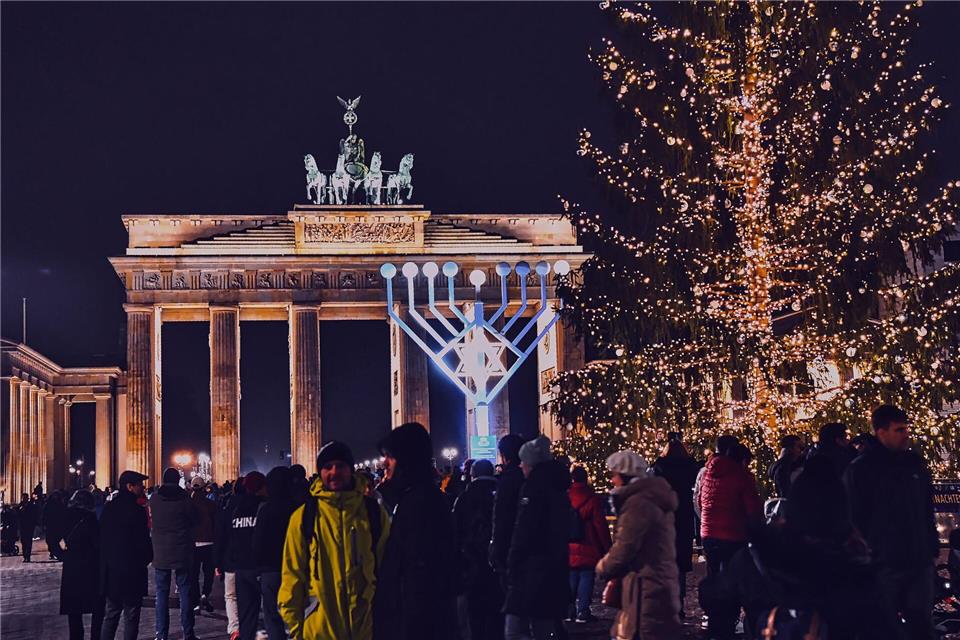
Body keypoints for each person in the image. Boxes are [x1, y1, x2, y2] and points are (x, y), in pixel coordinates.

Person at [844, 404, 939, 640]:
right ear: (881, 432)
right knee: (883, 625)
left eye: (906, 428)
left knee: (921, 623)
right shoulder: (862, 469)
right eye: (899, 429)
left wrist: (931, 545)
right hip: (883, 561)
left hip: (917, 558)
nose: (906, 434)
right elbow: (853, 516)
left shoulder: (914, 464)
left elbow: (926, 507)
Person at [280, 441, 390, 640]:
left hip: (366, 629)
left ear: (351, 469)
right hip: (318, 631)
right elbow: (291, 577)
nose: (334, 472)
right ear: (320, 472)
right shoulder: (304, 517)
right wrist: (296, 631)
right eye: (327, 467)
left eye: (340, 466)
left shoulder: (373, 513)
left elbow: (388, 570)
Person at [372, 423, 457, 640]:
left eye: (390, 456)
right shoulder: (416, 498)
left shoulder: (421, 504)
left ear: (407, 460)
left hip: (417, 624)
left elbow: (419, 575)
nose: (385, 463)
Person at [596, 450, 680, 640]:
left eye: (614, 475)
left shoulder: (639, 504)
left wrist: (603, 566)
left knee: (641, 632)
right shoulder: (649, 498)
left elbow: (624, 547)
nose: (612, 481)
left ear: (625, 476)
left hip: (646, 587)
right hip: (655, 583)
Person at [501, 435, 570, 640]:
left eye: (524, 461)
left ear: (531, 464)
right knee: (544, 626)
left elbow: (524, 531)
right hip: (550, 569)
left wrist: (512, 562)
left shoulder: (533, 490)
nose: (520, 465)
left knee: (516, 630)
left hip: (531, 570)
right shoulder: (556, 488)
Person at [698, 442, 762, 640]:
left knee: (715, 577)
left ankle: (716, 620)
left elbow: (701, 500)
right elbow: (753, 509)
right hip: (733, 534)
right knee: (735, 579)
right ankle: (730, 621)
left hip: (708, 533)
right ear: (743, 460)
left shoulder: (709, 472)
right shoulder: (742, 476)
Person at [453, 459, 503, 640]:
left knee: (476, 613)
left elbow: (456, 530)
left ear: (472, 474)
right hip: (499, 563)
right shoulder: (502, 493)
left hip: (471, 563)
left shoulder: (465, 498)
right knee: (498, 611)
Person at [100, 470, 153, 640]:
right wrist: (146, 559)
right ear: (130, 487)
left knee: (111, 615)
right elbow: (143, 542)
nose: (142, 488)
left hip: (112, 570)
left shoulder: (108, 509)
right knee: (131, 616)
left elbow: (101, 539)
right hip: (132, 571)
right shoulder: (137, 511)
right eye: (139, 485)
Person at [652, 439, 700, 618]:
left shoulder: (659, 467)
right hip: (683, 518)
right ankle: (678, 604)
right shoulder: (689, 467)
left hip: (664, 518)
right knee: (679, 565)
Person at [150, 467, 198, 640]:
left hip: (161, 551)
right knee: (185, 591)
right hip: (182, 550)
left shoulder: (154, 499)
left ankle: (161, 634)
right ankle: (188, 633)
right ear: (177, 479)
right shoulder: (185, 499)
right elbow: (194, 520)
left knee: (161, 594)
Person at [221, 471, 267, 640]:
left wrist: (221, 561)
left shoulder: (234, 508)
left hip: (239, 565)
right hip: (262, 567)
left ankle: (238, 631)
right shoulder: (264, 507)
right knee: (270, 611)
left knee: (245, 612)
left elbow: (226, 536)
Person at [54, 490, 105, 640]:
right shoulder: (91, 519)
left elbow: (53, 538)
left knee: (74, 611)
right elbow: (98, 543)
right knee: (97, 608)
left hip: (72, 567)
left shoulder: (66, 517)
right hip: (91, 567)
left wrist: (63, 555)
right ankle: (96, 637)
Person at [254, 466, 296, 640]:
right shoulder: (300, 507)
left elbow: (258, 541)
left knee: (272, 615)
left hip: (270, 569)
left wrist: (257, 567)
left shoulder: (265, 509)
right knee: (298, 613)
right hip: (295, 570)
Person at [566, 465, 611, 624]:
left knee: (571, 577)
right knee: (586, 577)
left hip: (569, 545)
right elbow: (600, 525)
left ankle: (569, 609)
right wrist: (606, 547)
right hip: (588, 545)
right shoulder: (591, 498)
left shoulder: (566, 496)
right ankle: (583, 611)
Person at [490, 433, 525, 587]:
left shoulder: (507, 481)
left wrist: (496, 550)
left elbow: (501, 518)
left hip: (510, 549)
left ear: (503, 455)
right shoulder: (531, 478)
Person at [188, 476, 216, 615]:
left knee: (193, 574)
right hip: (209, 542)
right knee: (208, 572)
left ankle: (195, 600)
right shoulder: (211, 504)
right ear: (205, 487)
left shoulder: (188, 504)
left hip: (193, 543)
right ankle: (205, 593)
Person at [767, 434, 804, 498]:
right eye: (799, 446)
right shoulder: (784, 468)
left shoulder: (781, 466)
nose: (801, 450)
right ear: (790, 448)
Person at [42, 490, 67, 561]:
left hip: (58, 526)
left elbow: (64, 514)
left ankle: (59, 554)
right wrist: (43, 524)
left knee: (54, 541)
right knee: (50, 541)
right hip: (50, 525)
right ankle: (56, 553)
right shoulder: (48, 505)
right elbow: (44, 514)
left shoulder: (60, 505)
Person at [16, 492, 37, 562]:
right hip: (22, 526)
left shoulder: (31, 505)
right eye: (23, 498)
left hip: (29, 526)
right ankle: (25, 555)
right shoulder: (20, 505)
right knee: (23, 541)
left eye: (25, 498)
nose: (24, 499)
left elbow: (34, 515)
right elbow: (16, 514)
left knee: (28, 541)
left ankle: (27, 556)